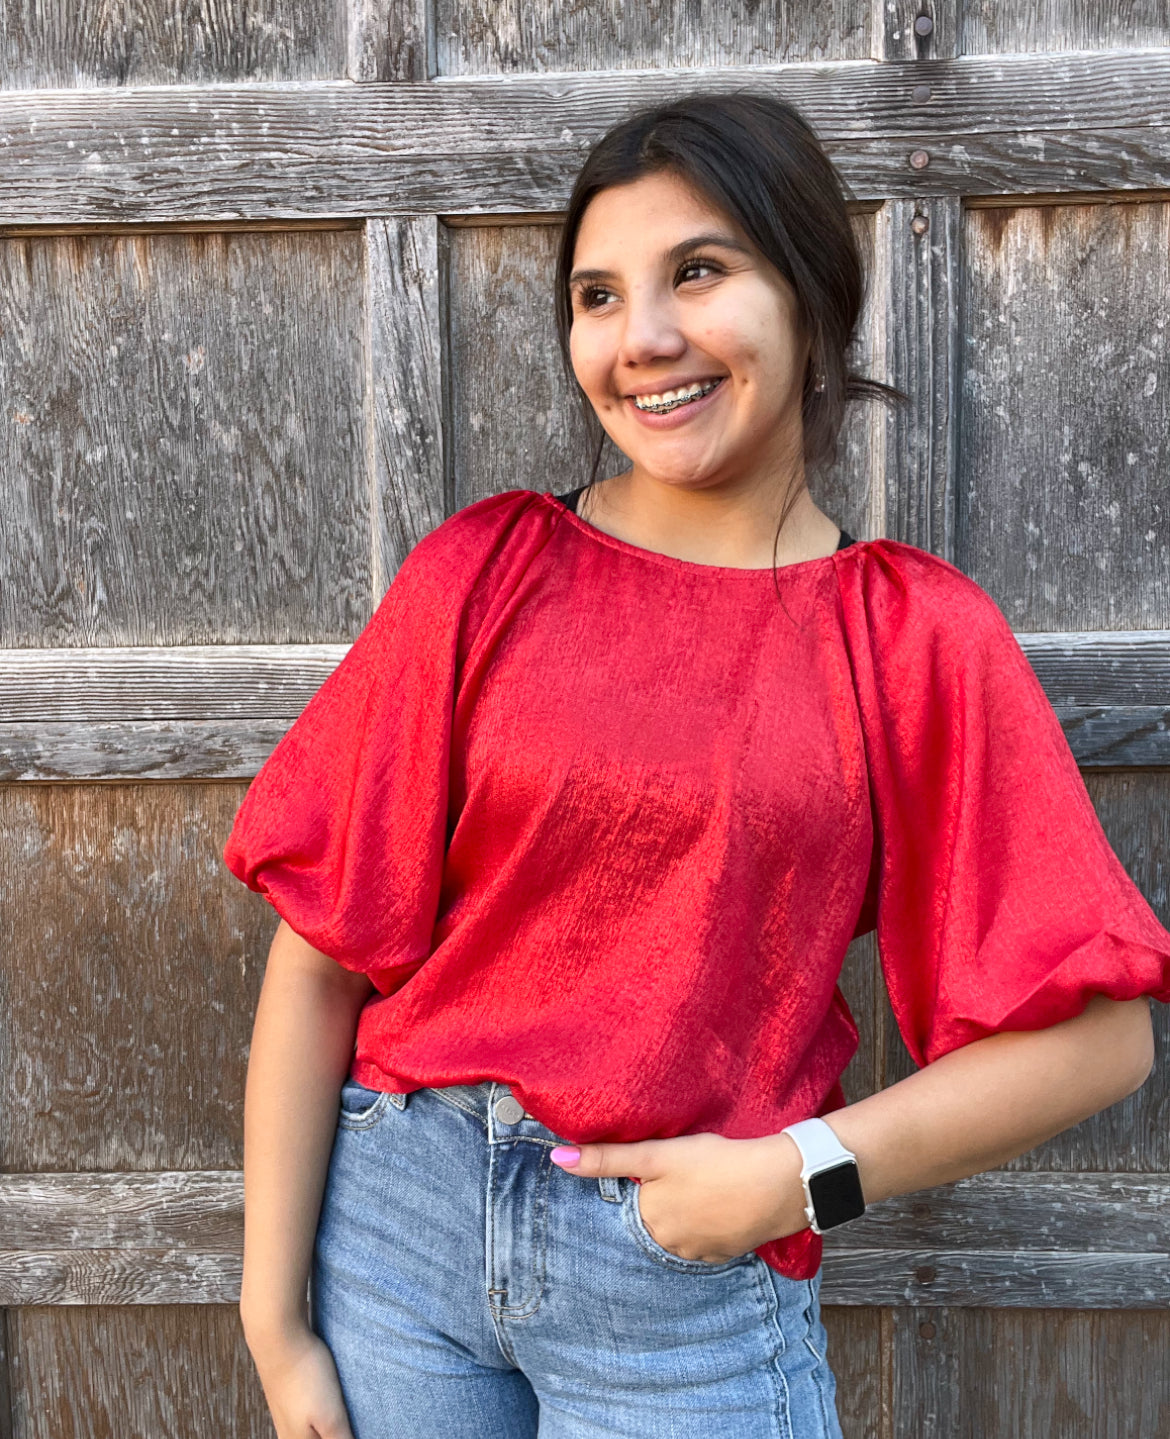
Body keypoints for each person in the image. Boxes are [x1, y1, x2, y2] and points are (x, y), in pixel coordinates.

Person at [222, 92, 1170, 1439]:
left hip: (676, 1285)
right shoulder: (484, 573)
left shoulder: (905, 638)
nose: (643, 338)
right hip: (395, 1240)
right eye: (597, 295)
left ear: (808, 297)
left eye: (698, 272)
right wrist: (273, 1321)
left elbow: (1098, 1040)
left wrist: (798, 1178)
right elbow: (318, 957)